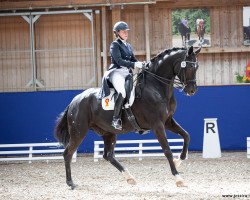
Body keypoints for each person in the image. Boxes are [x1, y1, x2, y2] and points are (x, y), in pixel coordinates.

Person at [108, 21, 144, 130]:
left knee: (135, 90)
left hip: (126, 73)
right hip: (116, 72)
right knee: (122, 92)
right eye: (123, 31)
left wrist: (142, 64)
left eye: (126, 31)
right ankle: (115, 119)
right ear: (117, 33)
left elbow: (133, 59)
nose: (126, 33)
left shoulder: (128, 45)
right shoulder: (115, 45)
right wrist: (134, 64)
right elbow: (119, 61)